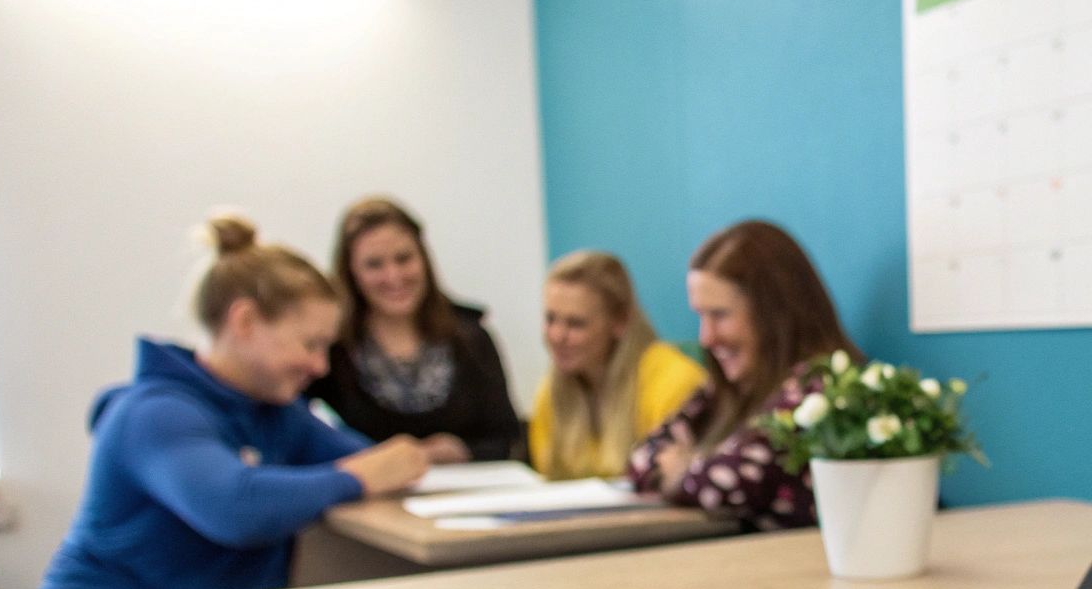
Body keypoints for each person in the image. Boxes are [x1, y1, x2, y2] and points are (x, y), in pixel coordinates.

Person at [27, 215, 429, 589]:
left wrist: (379, 466)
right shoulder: (152, 414)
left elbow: (374, 460)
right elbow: (237, 507)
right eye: (311, 344)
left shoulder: (276, 412)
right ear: (246, 322)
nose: (319, 366)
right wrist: (358, 477)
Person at [628, 220, 861, 530]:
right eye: (701, 315)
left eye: (720, 315)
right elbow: (642, 459)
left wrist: (688, 464)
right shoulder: (723, 391)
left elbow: (729, 482)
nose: (706, 338)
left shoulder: (822, 388)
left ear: (775, 312)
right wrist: (697, 468)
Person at [308, 197, 519, 462]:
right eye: (374, 264)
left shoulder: (471, 338)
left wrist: (463, 452)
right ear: (351, 272)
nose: (393, 276)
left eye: (404, 259)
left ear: (424, 260)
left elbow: (510, 440)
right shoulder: (330, 349)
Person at [529, 251, 706, 479]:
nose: (557, 335)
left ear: (620, 321)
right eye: (550, 319)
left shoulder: (675, 381)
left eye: (576, 324)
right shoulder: (551, 392)